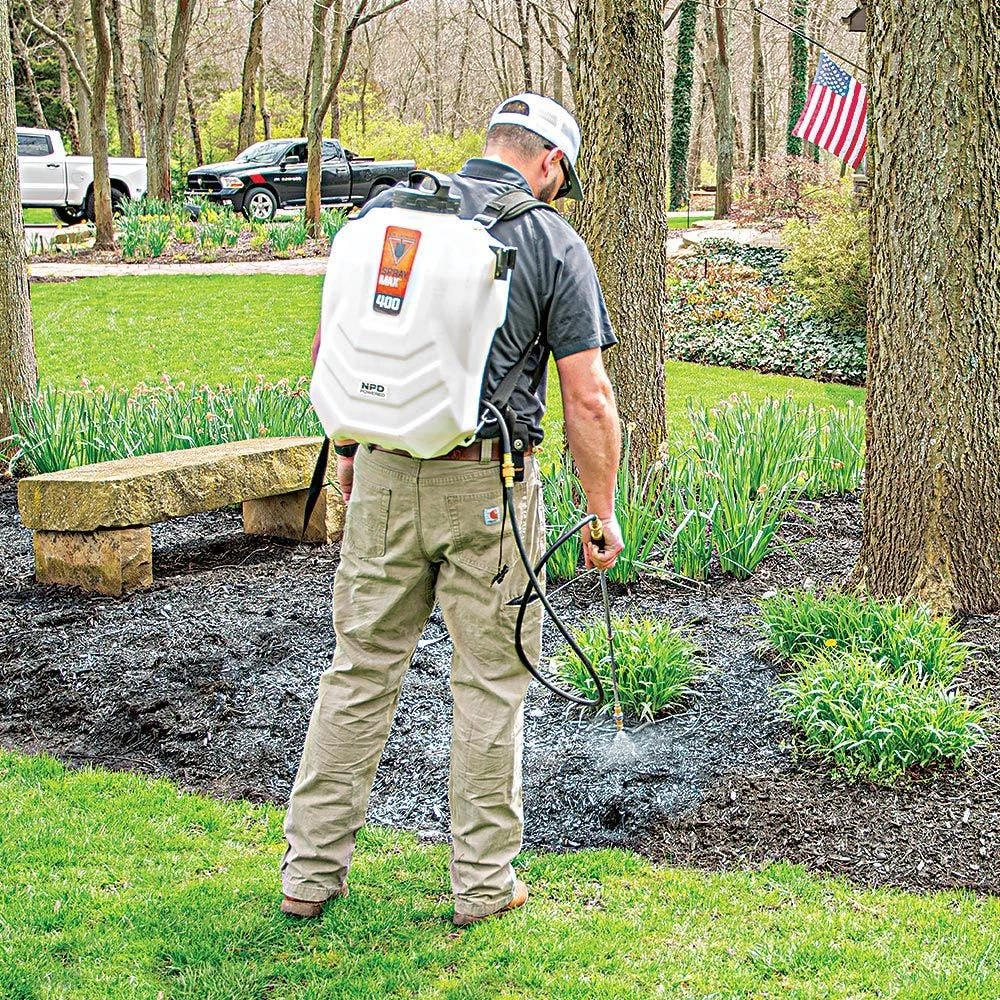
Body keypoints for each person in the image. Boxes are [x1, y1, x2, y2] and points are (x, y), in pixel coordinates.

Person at [281, 92, 624, 927]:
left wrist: (359, 455)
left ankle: (308, 875)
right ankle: (482, 886)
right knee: (490, 687)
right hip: (490, 489)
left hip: (386, 474)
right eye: (560, 179)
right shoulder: (548, 238)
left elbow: (343, 349)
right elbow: (589, 399)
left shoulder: (391, 212)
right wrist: (601, 509)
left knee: (359, 672)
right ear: (548, 162)